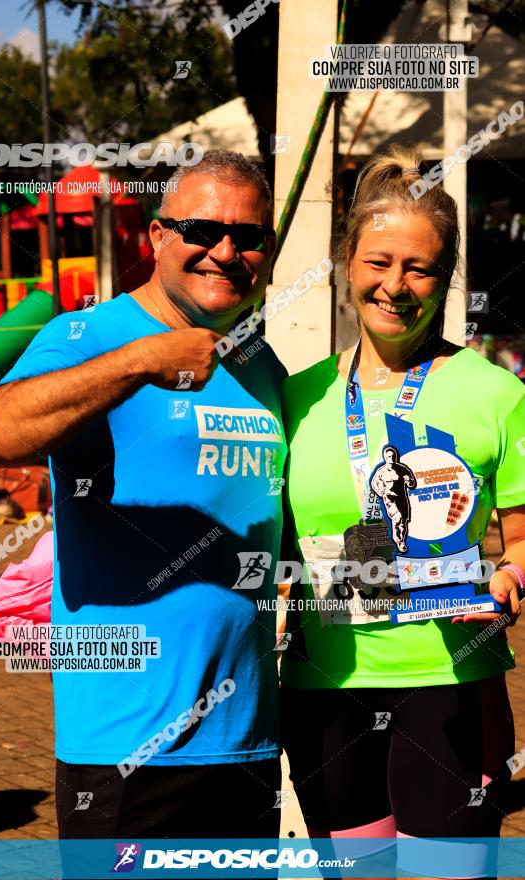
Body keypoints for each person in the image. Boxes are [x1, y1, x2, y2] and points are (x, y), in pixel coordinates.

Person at [0, 150, 287, 841]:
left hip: (248, 742)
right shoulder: (88, 335)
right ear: (157, 238)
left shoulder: (259, 362)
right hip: (126, 748)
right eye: (202, 229)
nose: (225, 251)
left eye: (249, 236)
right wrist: (144, 359)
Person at [280, 145, 525, 879]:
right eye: (378, 262)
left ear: (443, 278)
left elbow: (520, 539)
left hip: (449, 681)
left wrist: (512, 577)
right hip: (325, 690)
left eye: (418, 268)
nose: (395, 285)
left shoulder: (493, 393)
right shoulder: (298, 396)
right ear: (346, 265)